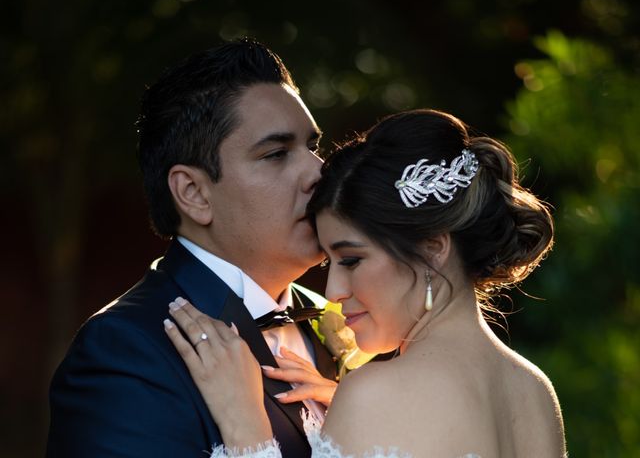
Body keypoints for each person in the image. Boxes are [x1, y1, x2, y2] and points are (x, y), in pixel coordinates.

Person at [164, 109, 568, 457]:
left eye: (352, 260)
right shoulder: (534, 391)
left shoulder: (374, 394)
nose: (333, 292)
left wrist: (246, 428)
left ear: (432, 248)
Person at [46, 38, 340, 458]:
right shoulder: (126, 351)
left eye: (312, 147)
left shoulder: (346, 318)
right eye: (276, 153)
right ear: (194, 194)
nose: (318, 171)